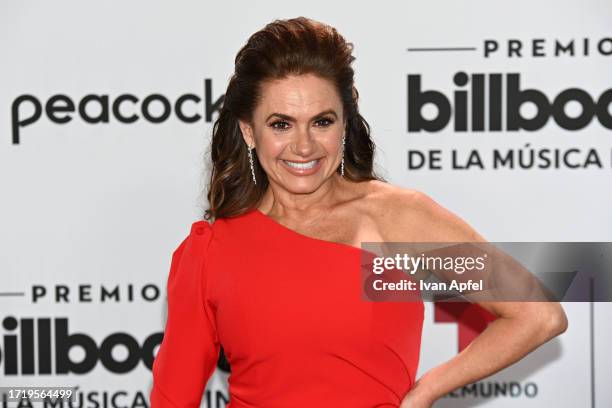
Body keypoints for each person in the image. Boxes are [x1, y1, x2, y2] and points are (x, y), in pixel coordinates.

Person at [149, 16, 568, 408]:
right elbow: (173, 399)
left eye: (322, 122)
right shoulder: (211, 251)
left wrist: (426, 390)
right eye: (281, 124)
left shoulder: (394, 217)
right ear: (248, 131)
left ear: (345, 123)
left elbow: (537, 315)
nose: (304, 146)